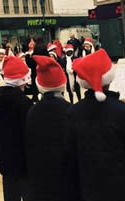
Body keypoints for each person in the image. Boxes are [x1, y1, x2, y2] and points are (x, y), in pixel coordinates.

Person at [67, 49, 125, 201]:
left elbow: (69, 155)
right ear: (110, 78)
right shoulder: (123, 111)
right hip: (120, 187)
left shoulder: (73, 112)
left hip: (86, 187)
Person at [24, 55, 75, 201]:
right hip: (67, 179)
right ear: (63, 83)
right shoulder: (70, 110)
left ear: (39, 84)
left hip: (41, 179)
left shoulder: (32, 112)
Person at [0, 56, 34, 201]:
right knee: (28, 193)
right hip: (24, 159)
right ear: (22, 80)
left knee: (10, 193)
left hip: (5, 155)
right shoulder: (24, 102)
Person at [26, 36, 49, 102]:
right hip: (44, 74)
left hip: (36, 74)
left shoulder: (36, 52)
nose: (30, 43)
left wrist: (27, 56)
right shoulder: (45, 50)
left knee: (36, 93)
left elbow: (31, 64)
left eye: (32, 41)